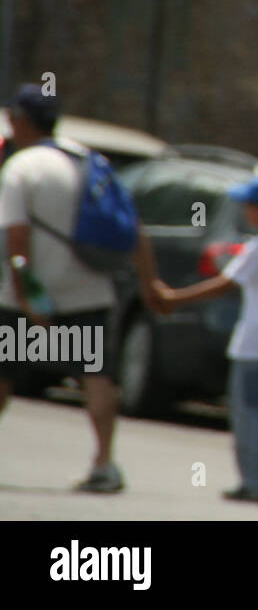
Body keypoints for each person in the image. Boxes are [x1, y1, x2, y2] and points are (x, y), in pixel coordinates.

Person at [0, 83, 163, 493]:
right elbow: (133, 227)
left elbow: (16, 241)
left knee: (3, 376)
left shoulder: (21, 168)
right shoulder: (90, 159)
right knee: (96, 377)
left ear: (21, 122)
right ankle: (105, 464)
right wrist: (150, 282)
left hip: (31, 293)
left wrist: (25, 296)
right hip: (90, 289)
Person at [154, 175, 258, 503]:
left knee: (247, 411)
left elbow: (225, 283)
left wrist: (175, 298)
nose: (246, 210)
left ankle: (254, 483)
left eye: (250, 205)